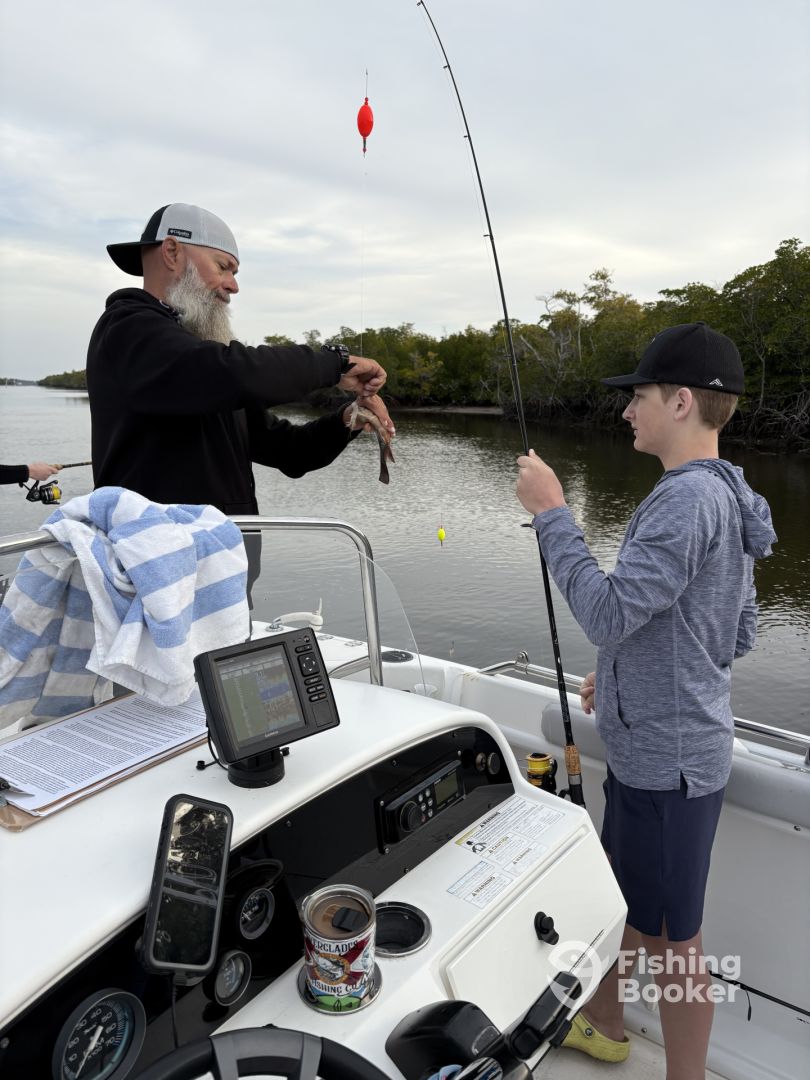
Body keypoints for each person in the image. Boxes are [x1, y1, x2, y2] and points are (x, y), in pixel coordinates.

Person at [515, 323, 776, 1080]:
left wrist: (552, 513)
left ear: (682, 401)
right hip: (660, 750)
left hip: (670, 767)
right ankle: (605, 1024)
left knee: (676, 946)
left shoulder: (685, 501)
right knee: (627, 905)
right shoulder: (729, 494)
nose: (628, 411)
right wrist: (625, 673)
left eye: (638, 397)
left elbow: (605, 614)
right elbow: (734, 631)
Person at [87, 202, 394, 513]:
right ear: (171, 252)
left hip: (229, 543)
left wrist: (348, 419)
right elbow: (236, 372)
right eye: (223, 267)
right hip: (155, 544)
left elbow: (291, 451)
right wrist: (335, 364)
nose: (233, 286)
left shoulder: (200, 367)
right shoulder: (129, 329)